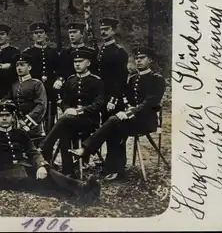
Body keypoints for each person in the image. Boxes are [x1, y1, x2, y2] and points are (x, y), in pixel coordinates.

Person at [69, 47, 166, 181]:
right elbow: (125, 97)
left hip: (146, 120)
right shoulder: (133, 79)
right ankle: (113, 168)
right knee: (114, 127)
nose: (138, 61)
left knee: (114, 123)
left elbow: (151, 102)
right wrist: (126, 109)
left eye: (142, 58)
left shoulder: (157, 79)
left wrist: (130, 112)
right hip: (132, 119)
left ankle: (89, 152)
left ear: (150, 60)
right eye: (136, 58)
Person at [0, 102, 101, 201]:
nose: (4, 118)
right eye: (2, 116)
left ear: (13, 118)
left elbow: (32, 151)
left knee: (48, 171)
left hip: (24, 166)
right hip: (6, 172)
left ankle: (81, 189)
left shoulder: (20, 133)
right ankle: (81, 190)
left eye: (8, 115)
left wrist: (40, 165)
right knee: (40, 182)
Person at [39, 49, 104, 177]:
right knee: (64, 130)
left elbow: (99, 104)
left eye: (80, 61)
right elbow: (64, 102)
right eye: (75, 62)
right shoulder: (70, 80)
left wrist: (78, 111)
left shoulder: (96, 81)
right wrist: (67, 109)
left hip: (89, 121)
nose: (77, 64)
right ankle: (68, 171)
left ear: (88, 63)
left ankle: (45, 146)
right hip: (70, 120)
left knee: (64, 121)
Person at [23, 22, 60, 133]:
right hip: (34, 90)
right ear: (33, 36)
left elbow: (58, 70)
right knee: (34, 116)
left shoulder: (53, 52)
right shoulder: (28, 53)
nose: (38, 35)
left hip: (50, 89)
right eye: (36, 33)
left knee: (50, 118)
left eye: (41, 32)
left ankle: (49, 141)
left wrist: (59, 79)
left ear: (45, 34)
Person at [2, 53, 47, 137]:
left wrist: (26, 122)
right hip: (17, 123)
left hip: (33, 125)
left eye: (22, 65)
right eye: (17, 66)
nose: (19, 68)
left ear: (29, 67)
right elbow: (6, 99)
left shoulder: (37, 84)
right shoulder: (14, 85)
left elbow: (41, 105)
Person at [96, 18, 129, 119]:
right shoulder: (101, 49)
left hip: (113, 94)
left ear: (113, 31)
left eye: (106, 29)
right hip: (101, 93)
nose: (103, 32)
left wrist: (113, 99)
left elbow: (121, 78)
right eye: (101, 29)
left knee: (113, 125)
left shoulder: (119, 52)